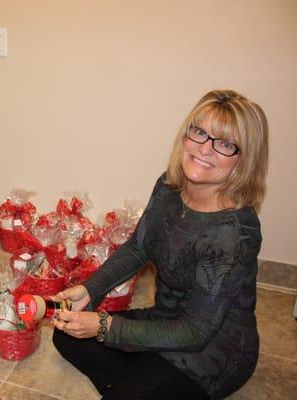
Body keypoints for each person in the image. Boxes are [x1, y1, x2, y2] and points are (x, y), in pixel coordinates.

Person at [52, 89, 268, 400]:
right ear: (186, 134)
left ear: (244, 160)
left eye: (224, 143)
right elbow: (139, 247)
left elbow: (196, 331)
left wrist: (104, 327)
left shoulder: (235, 231)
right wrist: (89, 290)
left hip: (212, 349)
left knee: (102, 345)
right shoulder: (169, 185)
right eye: (199, 132)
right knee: (67, 334)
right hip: (167, 322)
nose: (204, 149)